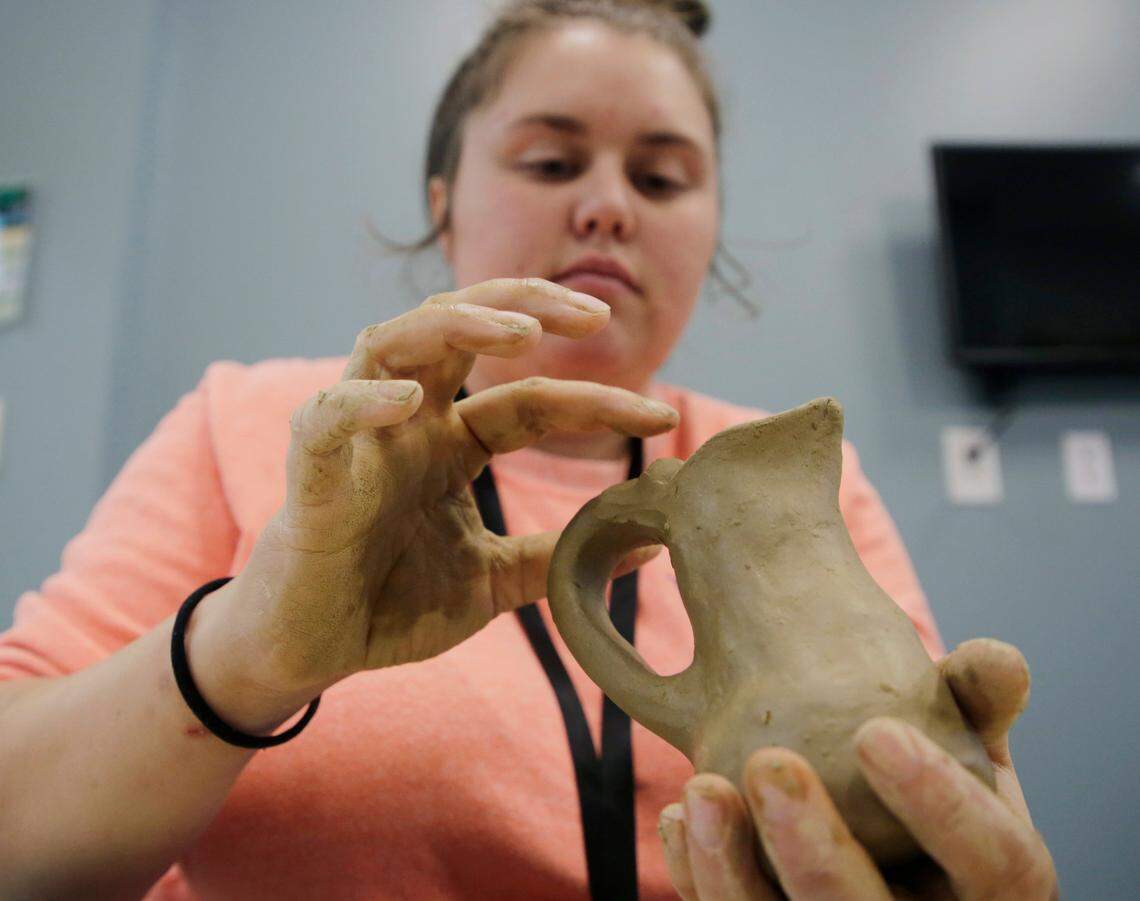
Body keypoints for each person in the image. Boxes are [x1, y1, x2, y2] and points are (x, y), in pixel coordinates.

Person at [0, 1, 1058, 898]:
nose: (606, 206)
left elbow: (922, 790)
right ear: (442, 203)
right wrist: (247, 653)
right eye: (552, 161)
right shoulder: (263, 426)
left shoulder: (788, 464)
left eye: (661, 179)